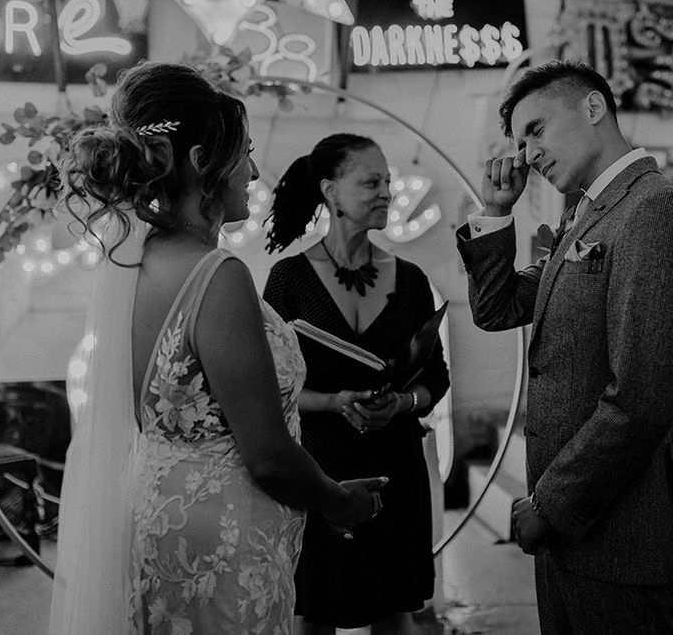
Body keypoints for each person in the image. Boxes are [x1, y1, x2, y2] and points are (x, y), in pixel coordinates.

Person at [47, 63, 387, 635]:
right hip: (224, 536)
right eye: (245, 154)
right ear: (204, 162)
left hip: (159, 515)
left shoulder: (134, 262)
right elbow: (269, 458)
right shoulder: (217, 274)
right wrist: (337, 500)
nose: (253, 172)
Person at [456, 59, 673, 634]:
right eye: (520, 139)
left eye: (536, 130)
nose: (527, 154)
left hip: (622, 534)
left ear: (593, 108)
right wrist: (496, 213)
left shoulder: (649, 210)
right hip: (579, 535)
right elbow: (497, 309)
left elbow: (642, 395)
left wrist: (551, 504)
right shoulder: (587, 214)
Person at [263, 133, 450, 634]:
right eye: (372, 181)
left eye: (388, 181)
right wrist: (334, 401)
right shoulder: (287, 280)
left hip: (397, 469)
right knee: (315, 614)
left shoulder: (409, 279)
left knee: (396, 613)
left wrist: (406, 403)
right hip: (322, 471)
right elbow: (269, 389)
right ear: (330, 190)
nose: (387, 192)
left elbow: (437, 375)